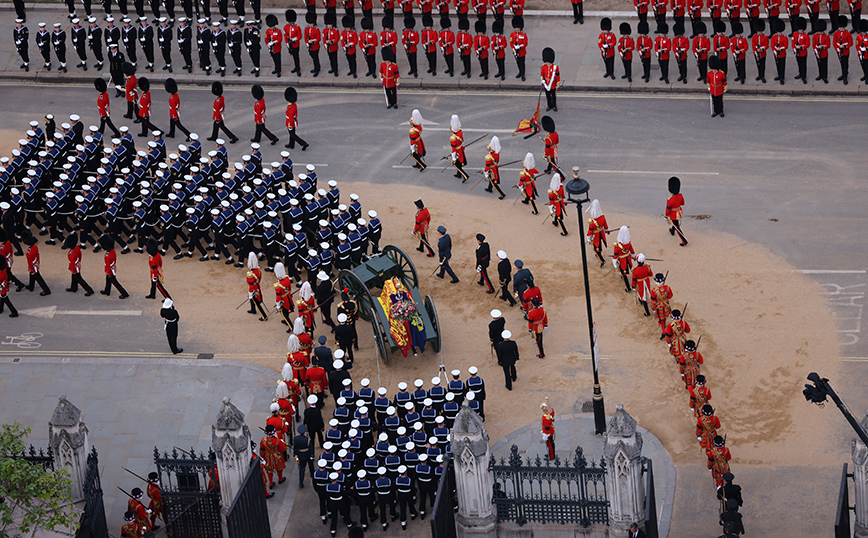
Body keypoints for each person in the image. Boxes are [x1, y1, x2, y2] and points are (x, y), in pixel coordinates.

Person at [260, 424, 288, 489]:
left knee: (269, 470)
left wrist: (263, 456)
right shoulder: (278, 441)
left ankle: (271, 483)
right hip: (277, 456)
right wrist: (283, 443)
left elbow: (262, 450)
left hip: (268, 456)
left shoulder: (263, 440)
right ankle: (280, 479)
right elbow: (283, 449)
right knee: (279, 468)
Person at [585, 198, 609, 266]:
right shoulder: (602, 217)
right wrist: (606, 230)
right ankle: (598, 254)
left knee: (596, 247)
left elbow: (590, 231)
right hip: (601, 233)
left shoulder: (592, 222)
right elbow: (606, 226)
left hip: (596, 235)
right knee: (599, 245)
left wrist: (588, 238)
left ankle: (602, 260)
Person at [612, 225, 635, 292]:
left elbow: (615, 256)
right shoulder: (629, 244)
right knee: (631, 270)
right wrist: (632, 256)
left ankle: (628, 288)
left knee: (624, 274)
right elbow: (632, 252)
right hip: (628, 258)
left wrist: (615, 263)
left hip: (622, 260)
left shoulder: (617, 246)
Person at [666, 176, 688, 245]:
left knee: (677, 227)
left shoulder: (670, 200)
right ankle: (672, 231)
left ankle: (684, 241)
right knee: (675, 223)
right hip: (679, 212)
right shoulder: (680, 196)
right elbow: (683, 203)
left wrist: (666, 216)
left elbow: (668, 210)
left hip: (673, 214)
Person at [833, 15, 853, 83]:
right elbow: (834, 42)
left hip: (845, 51)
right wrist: (837, 49)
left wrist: (844, 46)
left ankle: (845, 76)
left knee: (845, 63)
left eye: (842, 27)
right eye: (840, 27)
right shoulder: (836, 33)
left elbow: (851, 43)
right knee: (841, 63)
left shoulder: (847, 33)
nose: (841, 28)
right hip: (839, 51)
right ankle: (844, 73)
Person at [510, 15, 527, 80]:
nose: (517, 29)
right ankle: (520, 72)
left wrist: (519, 47)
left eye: (518, 27)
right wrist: (513, 48)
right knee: (518, 63)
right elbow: (511, 42)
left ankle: (523, 74)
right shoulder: (512, 34)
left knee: (522, 63)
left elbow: (525, 43)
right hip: (515, 52)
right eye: (516, 27)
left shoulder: (523, 34)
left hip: (521, 51)